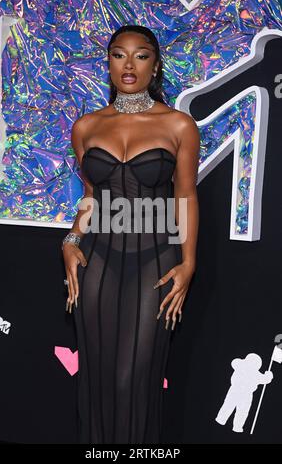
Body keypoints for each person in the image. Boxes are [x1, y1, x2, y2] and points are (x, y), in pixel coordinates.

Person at [62, 24, 200, 444]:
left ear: (154, 65)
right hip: (98, 259)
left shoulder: (178, 125)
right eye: (118, 54)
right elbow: (91, 198)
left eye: (140, 55)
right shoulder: (86, 126)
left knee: (134, 379)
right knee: (98, 379)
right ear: (108, 63)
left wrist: (189, 263)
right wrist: (70, 241)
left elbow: (186, 197)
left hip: (154, 260)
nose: (128, 64)